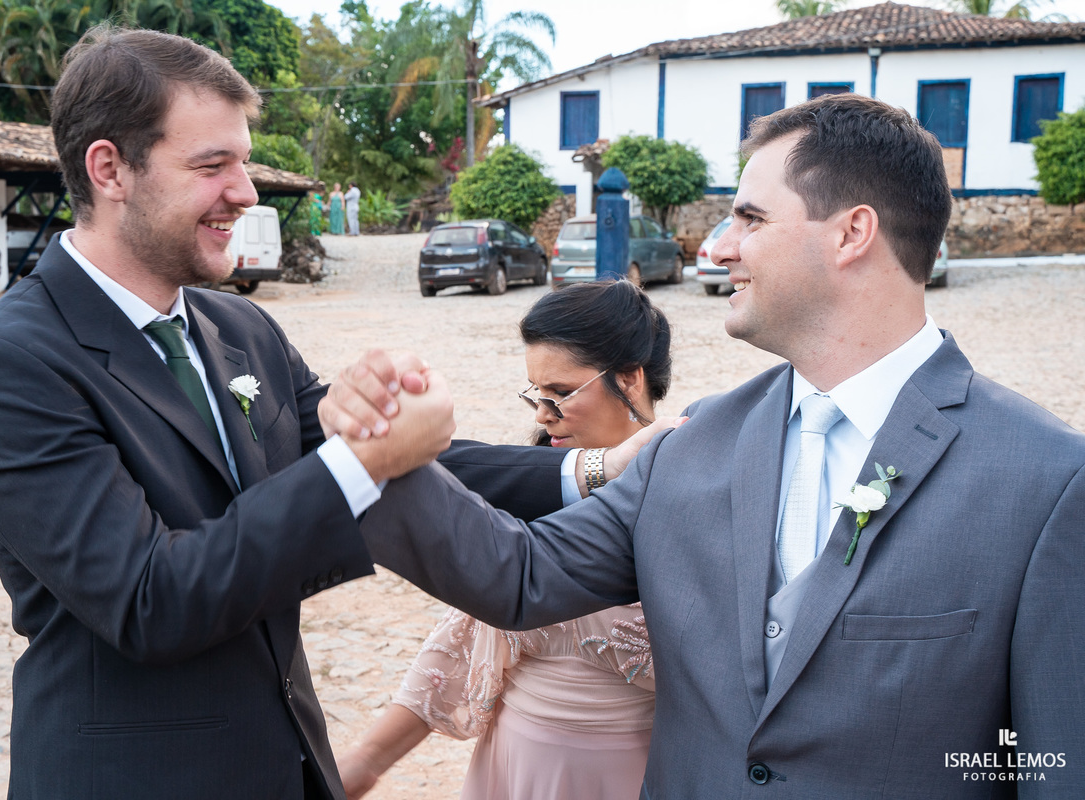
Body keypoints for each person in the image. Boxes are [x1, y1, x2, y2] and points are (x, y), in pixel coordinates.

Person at [332, 93, 1085, 797]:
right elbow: (518, 574)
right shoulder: (693, 442)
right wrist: (375, 457)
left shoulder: (1046, 481)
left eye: (749, 219)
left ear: (852, 233)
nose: (720, 247)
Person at [0, 26, 563, 800]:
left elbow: (383, 453)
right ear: (109, 170)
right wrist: (364, 460)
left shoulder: (241, 328)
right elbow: (150, 600)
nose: (247, 191)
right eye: (213, 166)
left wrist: (591, 469)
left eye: (243, 161)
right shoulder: (4, 363)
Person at [338, 280, 671, 800]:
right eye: (536, 393)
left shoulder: (690, 490)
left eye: (561, 393)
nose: (542, 413)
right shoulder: (531, 488)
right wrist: (365, 762)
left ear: (629, 379)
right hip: (514, 770)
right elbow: (453, 650)